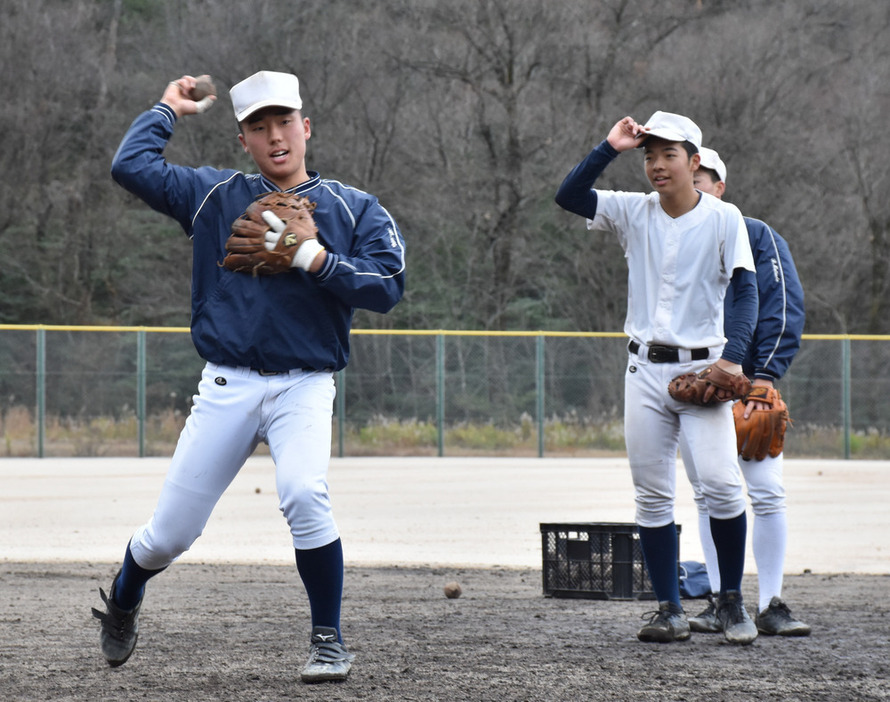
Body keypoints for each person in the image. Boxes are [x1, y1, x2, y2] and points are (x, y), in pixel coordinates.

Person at [91, 70, 406, 683]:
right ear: (243, 141)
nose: (275, 136)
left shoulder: (353, 207)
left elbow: (388, 286)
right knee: (168, 537)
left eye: (284, 121)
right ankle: (125, 597)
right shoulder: (213, 195)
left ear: (306, 127)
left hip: (304, 385)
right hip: (227, 383)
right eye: (259, 127)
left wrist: (312, 257)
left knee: (304, 493)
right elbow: (130, 166)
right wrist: (168, 108)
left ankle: (328, 639)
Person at [554, 112, 759, 644]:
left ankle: (730, 601)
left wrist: (733, 359)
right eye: (650, 155)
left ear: (695, 162)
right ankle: (668, 608)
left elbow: (744, 291)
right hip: (643, 368)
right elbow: (570, 195)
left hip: (704, 369)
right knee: (651, 495)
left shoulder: (723, 217)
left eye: (669, 154)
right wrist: (609, 146)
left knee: (719, 484)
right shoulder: (633, 210)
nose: (656, 165)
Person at [680, 147, 809, 637]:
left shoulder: (755, 234)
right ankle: (719, 600)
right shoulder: (676, 237)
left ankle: (772, 602)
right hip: (696, 391)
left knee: (767, 494)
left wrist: (766, 377)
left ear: (721, 187)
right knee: (709, 495)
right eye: (690, 178)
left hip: (748, 384)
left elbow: (783, 306)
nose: (697, 185)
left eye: (705, 178)